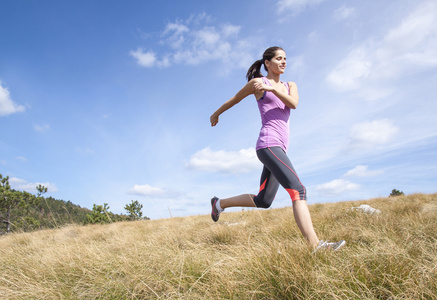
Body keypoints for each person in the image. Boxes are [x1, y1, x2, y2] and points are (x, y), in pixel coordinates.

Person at [209, 46, 345, 252]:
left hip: (280, 148)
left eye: (285, 58)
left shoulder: (290, 85)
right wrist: (217, 113)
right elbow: (236, 98)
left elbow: (294, 103)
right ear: (267, 63)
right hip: (268, 144)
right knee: (298, 191)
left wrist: (274, 90)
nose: (283, 62)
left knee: (264, 200)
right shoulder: (258, 83)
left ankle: (219, 204)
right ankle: (316, 246)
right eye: (278, 58)